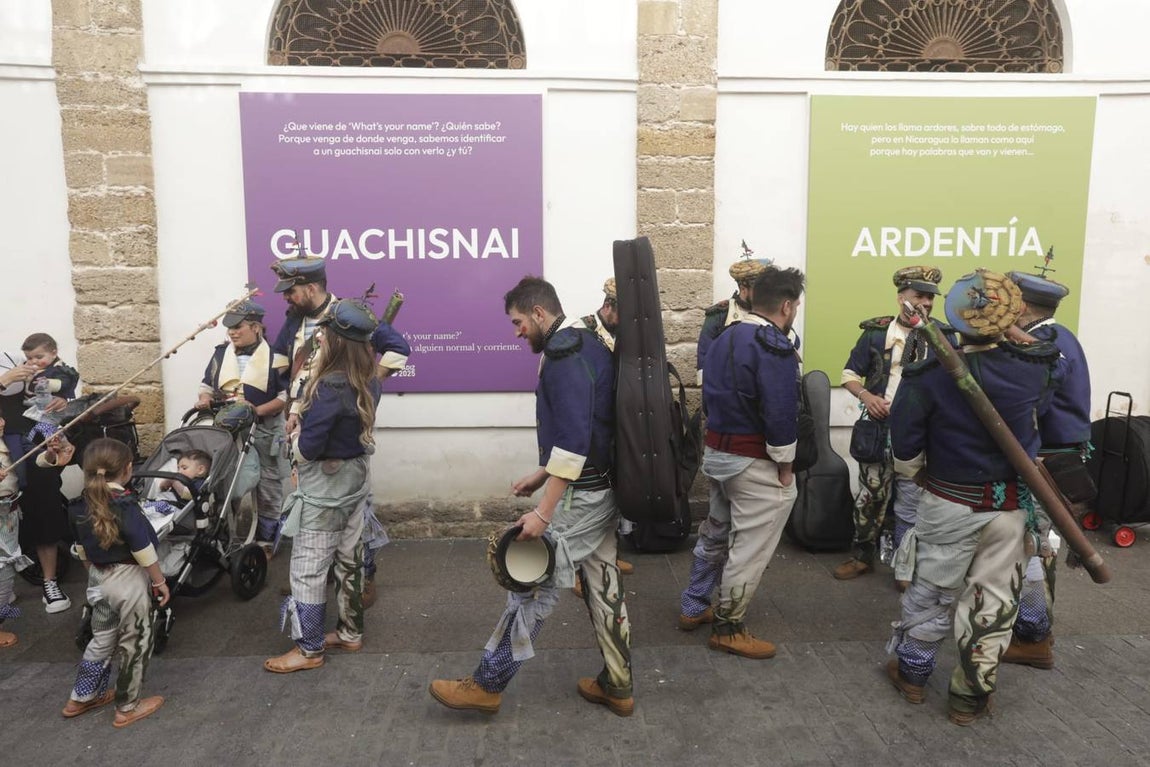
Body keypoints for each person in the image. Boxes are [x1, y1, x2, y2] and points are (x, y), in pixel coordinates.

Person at [429, 276, 634, 717]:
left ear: (540, 314)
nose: (517, 331)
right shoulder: (587, 343)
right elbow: (589, 426)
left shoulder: (563, 354)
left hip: (582, 495)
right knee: (603, 586)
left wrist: (544, 511)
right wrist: (543, 474)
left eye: (519, 322)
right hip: (600, 488)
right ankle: (618, 685)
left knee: (530, 584)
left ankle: (487, 684)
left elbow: (576, 440)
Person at [885, 269, 1059, 726]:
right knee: (993, 605)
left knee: (930, 597)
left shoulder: (926, 376)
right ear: (1014, 314)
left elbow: (903, 445)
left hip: (947, 502)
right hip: (1007, 510)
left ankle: (914, 677)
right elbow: (1050, 426)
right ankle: (968, 699)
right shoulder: (1035, 371)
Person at [677, 266, 805, 658]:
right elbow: (781, 412)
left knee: (715, 533)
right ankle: (728, 627)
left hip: (717, 454)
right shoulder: (775, 345)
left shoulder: (724, 335)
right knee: (749, 547)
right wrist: (785, 465)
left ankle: (694, 605)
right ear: (786, 305)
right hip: (753, 462)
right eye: (796, 305)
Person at [270, 256, 410, 605]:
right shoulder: (294, 322)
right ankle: (315, 577)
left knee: (356, 514)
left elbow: (399, 350)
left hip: (340, 434)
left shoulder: (349, 318)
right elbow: (280, 361)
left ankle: (363, 578)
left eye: (292, 291)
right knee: (309, 509)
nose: (287, 297)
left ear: (312, 287)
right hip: (304, 426)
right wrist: (290, 400)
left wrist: (366, 383)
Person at [264, 299, 384, 673]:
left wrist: (295, 435)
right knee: (349, 559)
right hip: (355, 481)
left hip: (325, 490)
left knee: (307, 568)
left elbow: (309, 449)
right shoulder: (368, 380)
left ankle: (310, 649)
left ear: (333, 339)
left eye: (324, 331)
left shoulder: (327, 388)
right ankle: (350, 632)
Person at [834, 266, 954, 583]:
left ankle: (908, 562)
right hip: (878, 429)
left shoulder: (944, 335)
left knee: (914, 500)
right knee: (871, 495)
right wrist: (868, 398)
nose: (926, 303)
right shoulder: (875, 333)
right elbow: (848, 375)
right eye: (919, 296)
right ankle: (862, 556)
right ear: (902, 296)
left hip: (921, 434)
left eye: (930, 298)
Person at [1000, 268, 1091, 670]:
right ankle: (1036, 627)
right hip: (1058, 453)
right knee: (1037, 542)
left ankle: (1034, 635)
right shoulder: (1061, 335)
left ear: (1021, 305)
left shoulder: (1048, 343)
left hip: (1046, 459)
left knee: (1034, 545)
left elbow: (1033, 399)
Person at [65, 437, 169, 727]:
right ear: (128, 469)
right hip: (128, 580)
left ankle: (80, 697)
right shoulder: (125, 505)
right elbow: (142, 549)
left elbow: (82, 550)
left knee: (102, 638)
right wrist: (159, 581)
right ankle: (128, 707)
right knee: (135, 641)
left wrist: (95, 577)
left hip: (98, 577)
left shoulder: (78, 506)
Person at [198, 299, 287, 547]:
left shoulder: (276, 357)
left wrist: (256, 411)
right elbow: (206, 385)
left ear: (256, 327)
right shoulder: (220, 354)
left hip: (265, 430)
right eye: (230, 328)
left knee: (268, 487)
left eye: (239, 327)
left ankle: (266, 542)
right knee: (223, 481)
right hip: (227, 430)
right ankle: (225, 536)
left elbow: (284, 396)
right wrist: (204, 399)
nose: (233, 332)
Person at [575, 277, 633, 586]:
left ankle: (605, 555)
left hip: (614, 429)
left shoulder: (621, 333)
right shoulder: (584, 335)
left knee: (610, 498)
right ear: (608, 306)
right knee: (584, 503)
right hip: (590, 433)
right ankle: (575, 570)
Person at [18, 334, 81, 613]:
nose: (33, 362)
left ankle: (49, 581)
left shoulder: (56, 371)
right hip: (14, 445)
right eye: (30, 358)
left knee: (44, 509)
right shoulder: (15, 373)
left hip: (40, 444)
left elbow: (66, 383)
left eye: (38, 357)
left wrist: (47, 386)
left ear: (53, 353)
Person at [696, 242, 774, 386]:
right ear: (743, 288)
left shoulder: (772, 312)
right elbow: (704, 362)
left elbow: (792, 342)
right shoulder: (720, 316)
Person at [0, 415, 31, 647]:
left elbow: (37, 457)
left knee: (6, 574)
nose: (2, 421)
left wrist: (53, 454)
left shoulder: (9, 440)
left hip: (9, 513)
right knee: (3, 577)